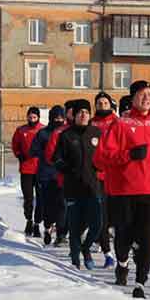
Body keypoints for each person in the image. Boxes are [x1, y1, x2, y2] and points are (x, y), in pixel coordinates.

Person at [93, 80, 150, 298]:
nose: (146, 97)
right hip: (123, 191)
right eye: (142, 94)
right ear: (133, 97)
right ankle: (122, 262)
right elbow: (100, 158)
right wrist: (129, 155)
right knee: (123, 236)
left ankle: (140, 282)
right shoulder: (120, 125)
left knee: (146, 239)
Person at [53, 99, 103, 270]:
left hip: (93, 187)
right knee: (75, 227)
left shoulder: (96, 133)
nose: (84, 115)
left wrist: (102, 165)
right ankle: (76, 262)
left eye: (87, 112)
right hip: (73, 187)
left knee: (97, 224)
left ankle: (86, 247)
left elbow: (105, 155)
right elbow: (56, 158)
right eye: (80, 112)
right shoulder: (66, 136)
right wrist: (67, 168)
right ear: (74, 116)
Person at [29, 105, 66, 245]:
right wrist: (46, 154)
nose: (59, 120)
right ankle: (48, 227)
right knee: (48, 204)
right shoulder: (43, 133)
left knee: (62, 204)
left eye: (61, 117)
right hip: (46, 174)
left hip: (62, 174)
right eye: (56, 117)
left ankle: (61, 233)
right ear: (51, 118)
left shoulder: (66, 133)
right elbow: (33, 150)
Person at [91, 91, 118, 268]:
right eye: (99, 103)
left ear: (110, 105)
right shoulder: (91, 123)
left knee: (116, 214)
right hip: (96, 175)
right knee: (101, 214)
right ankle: (108, 252)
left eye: (105, 103)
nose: (102, 106)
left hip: (116, 174)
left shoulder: (118, 123)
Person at [45, 100, 77, 247]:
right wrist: (61, 165)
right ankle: (61, 234)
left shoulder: (86, 129)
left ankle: (78, 234)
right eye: (71, 111)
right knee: (63, 205)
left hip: (83, 176)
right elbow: (50, 154)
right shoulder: (59, 132)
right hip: (63, 176)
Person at [12, 107, 44, 237]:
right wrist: (19, 155)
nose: (32, 120)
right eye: (30, 117)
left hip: (41, 170)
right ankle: (29, 220)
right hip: (26, 169)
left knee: (41, 198)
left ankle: (37, 223)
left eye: (34, 117)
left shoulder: (43, 130)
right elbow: (15, 145)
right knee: (28, 198)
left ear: (38, 118)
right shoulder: (21, 130)